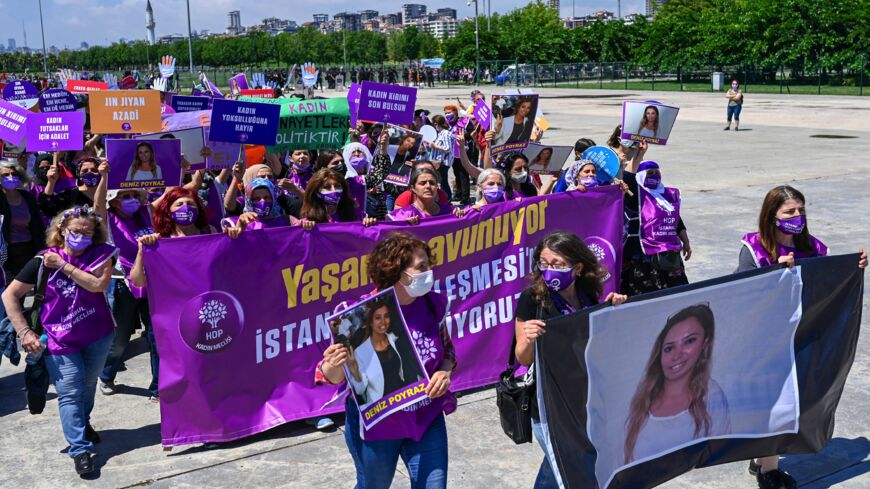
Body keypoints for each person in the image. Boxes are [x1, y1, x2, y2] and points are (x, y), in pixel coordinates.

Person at [737, 184, 867, 489]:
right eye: (790, 211)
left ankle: (762, 459)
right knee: (773, 404)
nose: (798, 216)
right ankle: (768, 469)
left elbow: (828, 285)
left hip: (804, 335)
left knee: (797, 402)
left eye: (801, 210)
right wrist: (772, 275)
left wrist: (854, 266)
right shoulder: (754, 248)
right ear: (772, 216)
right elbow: (740, 292)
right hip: (765, 342)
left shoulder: (814, 249)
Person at [320, 233, 457, 489]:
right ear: (397, 272)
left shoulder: (432, 305)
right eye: (421, 267)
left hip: (426, 416)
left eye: (428, 264)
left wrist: (445, 372)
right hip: (379, 424)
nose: (429, 272)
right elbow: (332, 377)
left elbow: (447, 351)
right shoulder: (358, 314)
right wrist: (335, 362)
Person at [2, 205, 117, 476]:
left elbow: (97, 285)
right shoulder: (43, 260)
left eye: (88, 233)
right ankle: (80, 449)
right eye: (76, 231)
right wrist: (25, 333)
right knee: (70, 392)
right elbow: (9, 295)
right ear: (62, 231)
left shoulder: (101, 255)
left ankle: (82, 423)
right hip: (59, 338)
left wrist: (64, 266)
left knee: (88, 386)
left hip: (98, 333)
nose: (81, 236)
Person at [514, 231, 627, 488]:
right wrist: (529, 339)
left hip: (583, 400)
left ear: (577, 268)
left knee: (559, 469)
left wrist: (614, 311)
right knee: (571, 467)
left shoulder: (588, 293)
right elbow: (522, 358)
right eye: (544, 263)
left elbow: (598, 341)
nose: (549, 270)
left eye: (558, 264)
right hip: (548, 404)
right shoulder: (532, 298)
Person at [623, 303, 731, 465]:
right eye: (669, 348)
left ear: (705, 343)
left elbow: (721, 457)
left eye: (689, 341)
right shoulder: (639, 400)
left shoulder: (712, 396)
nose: (677, 355)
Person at [93, 158, 161, 401]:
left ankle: (157, 388)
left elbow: (172, 193)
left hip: (152, 283)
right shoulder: (109, 222)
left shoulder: (146, 213)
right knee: (120, 340)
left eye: (134, 194)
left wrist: (182, 169)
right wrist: (103, 177)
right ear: (114, 201)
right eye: (125, 196)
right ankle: (107, 374)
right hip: (123, 285)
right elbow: (98, 204)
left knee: (156, 337)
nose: (131, 199)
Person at [621, 160, 691, 295]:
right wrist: (639, 154)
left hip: (667, 253)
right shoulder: (635, 195)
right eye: (649, 173)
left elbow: (677, 220)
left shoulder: (667, 195)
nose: (653, 176)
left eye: (656, 173)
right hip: (642, 254)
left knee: (676, 291)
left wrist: (686, 242)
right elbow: (628, 176)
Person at [346, 297, 423, 408]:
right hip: (382, 408)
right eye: (378, 318)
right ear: (371, 323)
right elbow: (359, 390)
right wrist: (354, 370)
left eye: (386, 316)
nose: (383, 321)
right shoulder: (360, 352)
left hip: (404, 400)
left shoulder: (394, 339)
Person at [0, 159, 46, 279]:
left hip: (28, 250)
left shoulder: (27, 197)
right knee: (8, 292)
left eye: (14, 174)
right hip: (5, 254)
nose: (11, 177)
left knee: (21, 292)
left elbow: (37, 224)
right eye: (5, 175)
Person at [388, 168, 469, 224]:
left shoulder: (450, 212)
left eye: (432, 183)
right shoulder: (402, 215)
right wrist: (403, 227)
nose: (428, 186)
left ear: (437, 187)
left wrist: (474, 211)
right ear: (413, 188)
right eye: (422, 183)